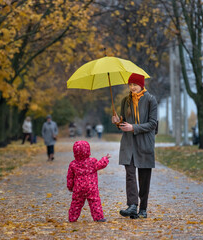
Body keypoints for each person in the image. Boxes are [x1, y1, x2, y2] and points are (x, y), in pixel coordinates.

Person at [112, 73, 157, 219]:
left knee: (144, 177)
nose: (132, 87)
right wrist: (118, 122)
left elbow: (153, 124)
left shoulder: (150, 100)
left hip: (144, 142)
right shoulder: (126, 100)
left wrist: (134, 127)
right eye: (130, 85)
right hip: (129, 143)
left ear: (141, 85)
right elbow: (124, 122)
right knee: (130, 174)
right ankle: (132, 205)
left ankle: (143, 208)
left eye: (134, 85)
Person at [67, 140, 111, 222]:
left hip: (78, 188)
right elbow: (100, 164)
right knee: (95, 202)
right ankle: (99, 217)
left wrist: (70, 187)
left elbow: (70, 177)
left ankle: (72, 218)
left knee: (76, 203)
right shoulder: (92, 161)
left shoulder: (73, 164)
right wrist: (105, 158)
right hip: (91, 187)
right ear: (88, 151)